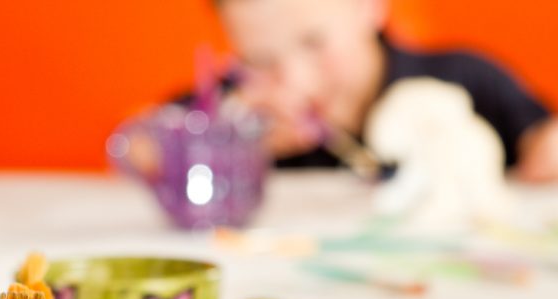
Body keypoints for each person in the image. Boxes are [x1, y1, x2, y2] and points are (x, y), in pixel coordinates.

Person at [213, 0, 558, 181]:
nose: (295, 80)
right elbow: (159, 142)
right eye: (259, 60)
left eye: (314, 42)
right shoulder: (235, 108)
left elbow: (546, 140)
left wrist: (545, 151)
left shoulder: (465, 79)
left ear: (370, 5)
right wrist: (222, 142)